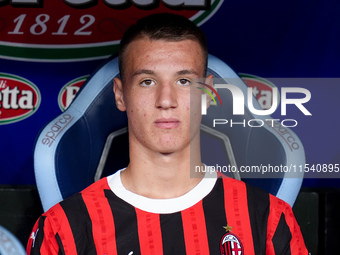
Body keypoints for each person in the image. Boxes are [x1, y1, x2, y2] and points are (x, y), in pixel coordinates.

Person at [27, 13, 308, 255]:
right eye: (147, 81)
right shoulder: (62, 228)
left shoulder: (269, 219)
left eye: (184, 81)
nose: (166, 99)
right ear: (120, 94)